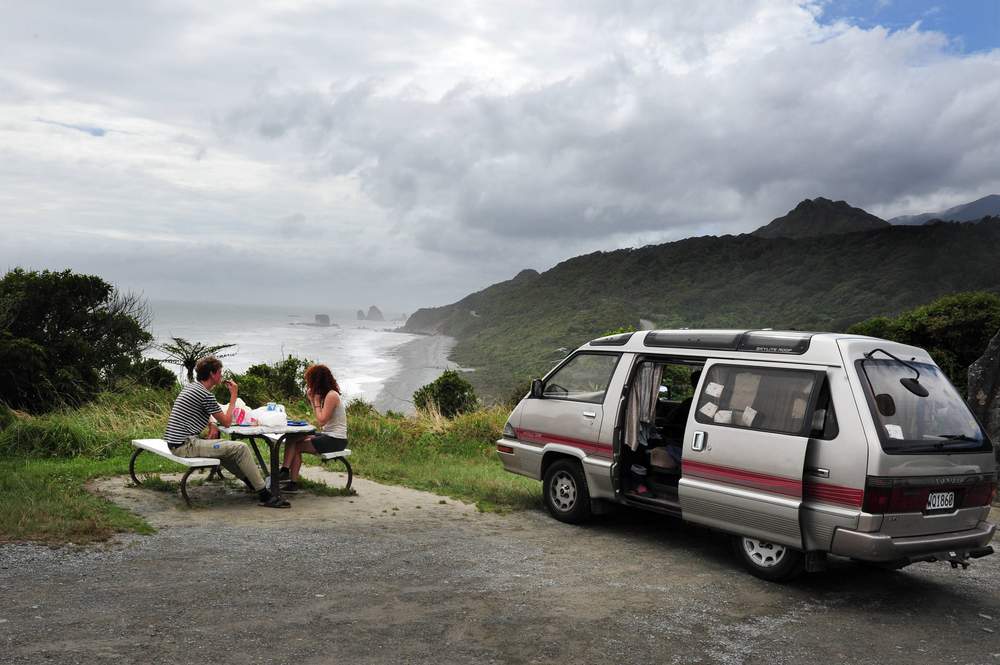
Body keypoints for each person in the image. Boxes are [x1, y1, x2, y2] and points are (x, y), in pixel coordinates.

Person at [164, 356, 287, 508]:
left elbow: (203, 411)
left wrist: (212, 423)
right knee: (240, 448)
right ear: (212, 374)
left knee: (227, 450)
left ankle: (253, 485)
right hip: (185, 446)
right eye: (220, 372)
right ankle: (265, 495)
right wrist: (234, 395)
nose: (221, 375)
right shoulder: (205, 395)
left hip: (177, 442)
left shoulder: (192, 388)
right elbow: (227, 421)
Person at [279, 364, 348, 493]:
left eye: (310, 381)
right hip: (327, 435)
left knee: (297, 446)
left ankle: (291, 480)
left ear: (317, 381)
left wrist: (314, 401)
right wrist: (313, 399)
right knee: (292, 437)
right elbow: (321, 420)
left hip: (335, 440)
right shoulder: (325, 395)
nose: (308, 384)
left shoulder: (331, 396)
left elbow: (321, 421)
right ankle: (284, 471)